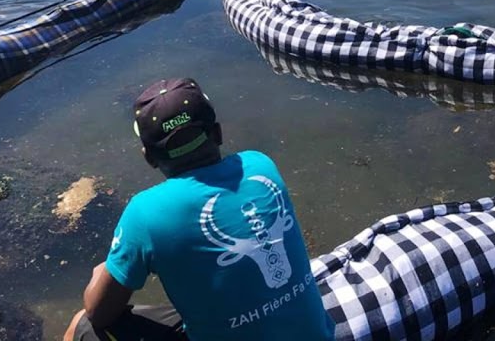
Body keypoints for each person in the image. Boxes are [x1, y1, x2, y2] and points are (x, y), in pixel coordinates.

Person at [63, 77, 335, 341]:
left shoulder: (144, 214)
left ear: (149, 158)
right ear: (217, 133)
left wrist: (102, 274)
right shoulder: (260, 166)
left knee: (81, 325)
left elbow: (98, 314)